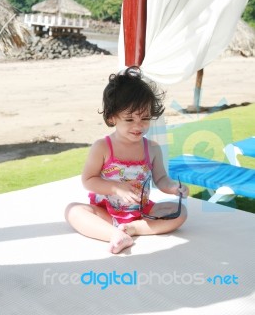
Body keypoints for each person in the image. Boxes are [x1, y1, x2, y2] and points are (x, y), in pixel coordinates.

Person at [65, 66, 189, 254]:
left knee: (180, 213)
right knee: (73, 211)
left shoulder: (152, 148)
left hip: (142, 212)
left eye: (145, 118)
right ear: (112, 117)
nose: (138, 126)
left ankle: (132, 229)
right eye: (129, 120)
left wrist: (172, 188)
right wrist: (116, 188)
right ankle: (114, 234)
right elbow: (88, 180)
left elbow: (161, 178)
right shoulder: (103, 147)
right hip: (106, 211)